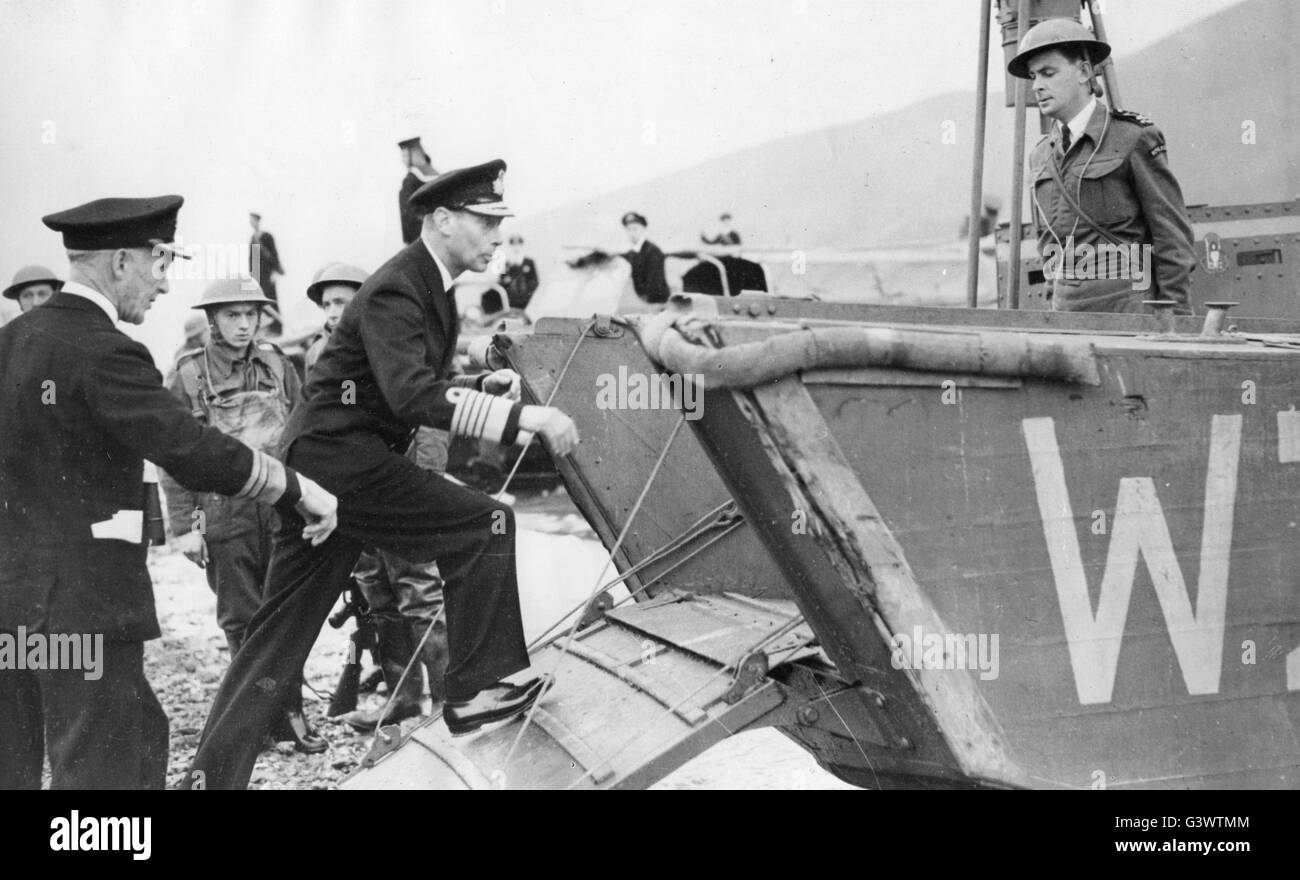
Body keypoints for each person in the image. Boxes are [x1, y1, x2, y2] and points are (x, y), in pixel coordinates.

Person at [182, 159, 579, 790]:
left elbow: (404, 383)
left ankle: (207, 780)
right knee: (488, 524)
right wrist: (522, 417)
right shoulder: (402, 287)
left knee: (276, 634)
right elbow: (409, 396)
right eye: (485, 222)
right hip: (345, 463)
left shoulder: (425, 284)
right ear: (442, 219)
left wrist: (480, 385)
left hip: (323, 465)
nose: (497, 236)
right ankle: (476, 690)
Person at [0, 195, 336, 790]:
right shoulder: (104, 348)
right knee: (108, 765)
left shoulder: (10, 342)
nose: (162, 285)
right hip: (84, 609)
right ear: (121, 261)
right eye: (160, 265)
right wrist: (295, 488)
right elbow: (185, 444)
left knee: (17, 758)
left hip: (14, 609)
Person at [160, 278, 325, 753]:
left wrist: (310, 501)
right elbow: (173, 455)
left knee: (286, 610)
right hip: (223, 510)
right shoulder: (189, 374)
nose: (243, 324)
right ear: (212, 320)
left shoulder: (277, 363)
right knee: (241, 617)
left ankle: (289, 713)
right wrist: (187, 528)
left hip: (280, 507)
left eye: (251, 314)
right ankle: (252, 722)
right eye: (232, 315)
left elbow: (301, 430)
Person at [305, 260, 450, 731]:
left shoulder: (398, 340)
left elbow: (432, 413)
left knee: (420, 594)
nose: (334, 312)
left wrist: (425, 478)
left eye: (343, 301)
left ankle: (449, 705)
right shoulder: (319, 355)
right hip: (351, 492)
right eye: (327, 304)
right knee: (377, 597)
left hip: (401, 486)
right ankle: (403, 699)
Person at [1008, 18, 1196, 314]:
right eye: (1033, 76)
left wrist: (1174, 319)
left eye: (1048, 73)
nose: (1037, 86)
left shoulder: (1132, 137)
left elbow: (1172, 239)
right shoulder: (1041, 156)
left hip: (1129, 312)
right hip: (1066, 315)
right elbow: (1048, 245)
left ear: (1084, 72)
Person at [303, 261, 368, 373]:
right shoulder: (316, 352)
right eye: (327, 305)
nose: (331, 314)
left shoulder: (383, 342)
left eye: (340, 303)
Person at [620, 211, 670, 304]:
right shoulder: (632, 253)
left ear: (643, 229)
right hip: (642, 302)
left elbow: (654, 285)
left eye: (635, 229)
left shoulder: (653, 251)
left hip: (657, 303)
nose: (631, 233)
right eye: (628, 229)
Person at [398, 136, 438, 245]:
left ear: (413, 155)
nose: (403, 160)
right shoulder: (436, 175)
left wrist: (408, 242)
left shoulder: (410, 180)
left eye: (405, 155)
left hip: (421, 238)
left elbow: (408, 216)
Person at [248, 212, 285, 331]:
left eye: (253, 220)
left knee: (271, 298)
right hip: (258, 275)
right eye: (250, 221)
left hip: (268, 274)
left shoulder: (267, 236)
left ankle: (277, 328)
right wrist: (252, 276)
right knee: (260, 299)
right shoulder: (253, 238)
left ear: (257, 221)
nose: (251, 223)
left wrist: (274, 272)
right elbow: (253, 259)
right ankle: (266, 327)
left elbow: (274, 254)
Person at [499, 234, 539, 310]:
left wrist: (529, 294)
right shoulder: (506, 264)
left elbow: (535, 280)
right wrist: (505, 281)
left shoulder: (529, 262)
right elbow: (501, 282)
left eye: (518, 245)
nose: (516, 247)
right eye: (513, 245)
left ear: (522, 246)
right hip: (511, 299)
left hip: (526, 299)